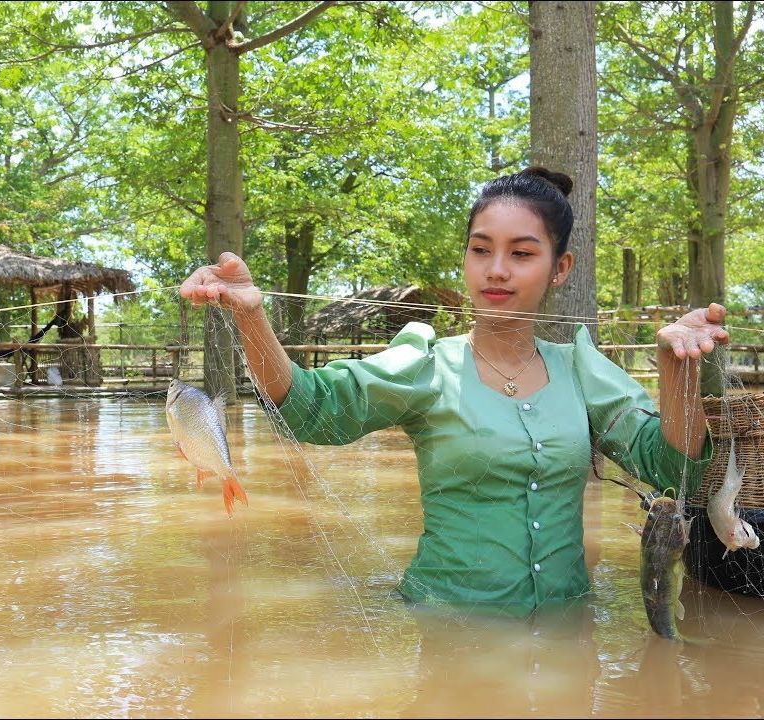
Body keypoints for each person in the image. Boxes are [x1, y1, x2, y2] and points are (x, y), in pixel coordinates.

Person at [179, 166, 729, 615]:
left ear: (560, 269)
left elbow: (675, 467)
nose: (496, 270)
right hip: (447, 626)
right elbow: (311, 410)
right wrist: (252, 318)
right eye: (480, 249)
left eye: (521, 253)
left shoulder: (581, 369)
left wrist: (676, 368)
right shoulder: (426, 364)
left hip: (567, 628)